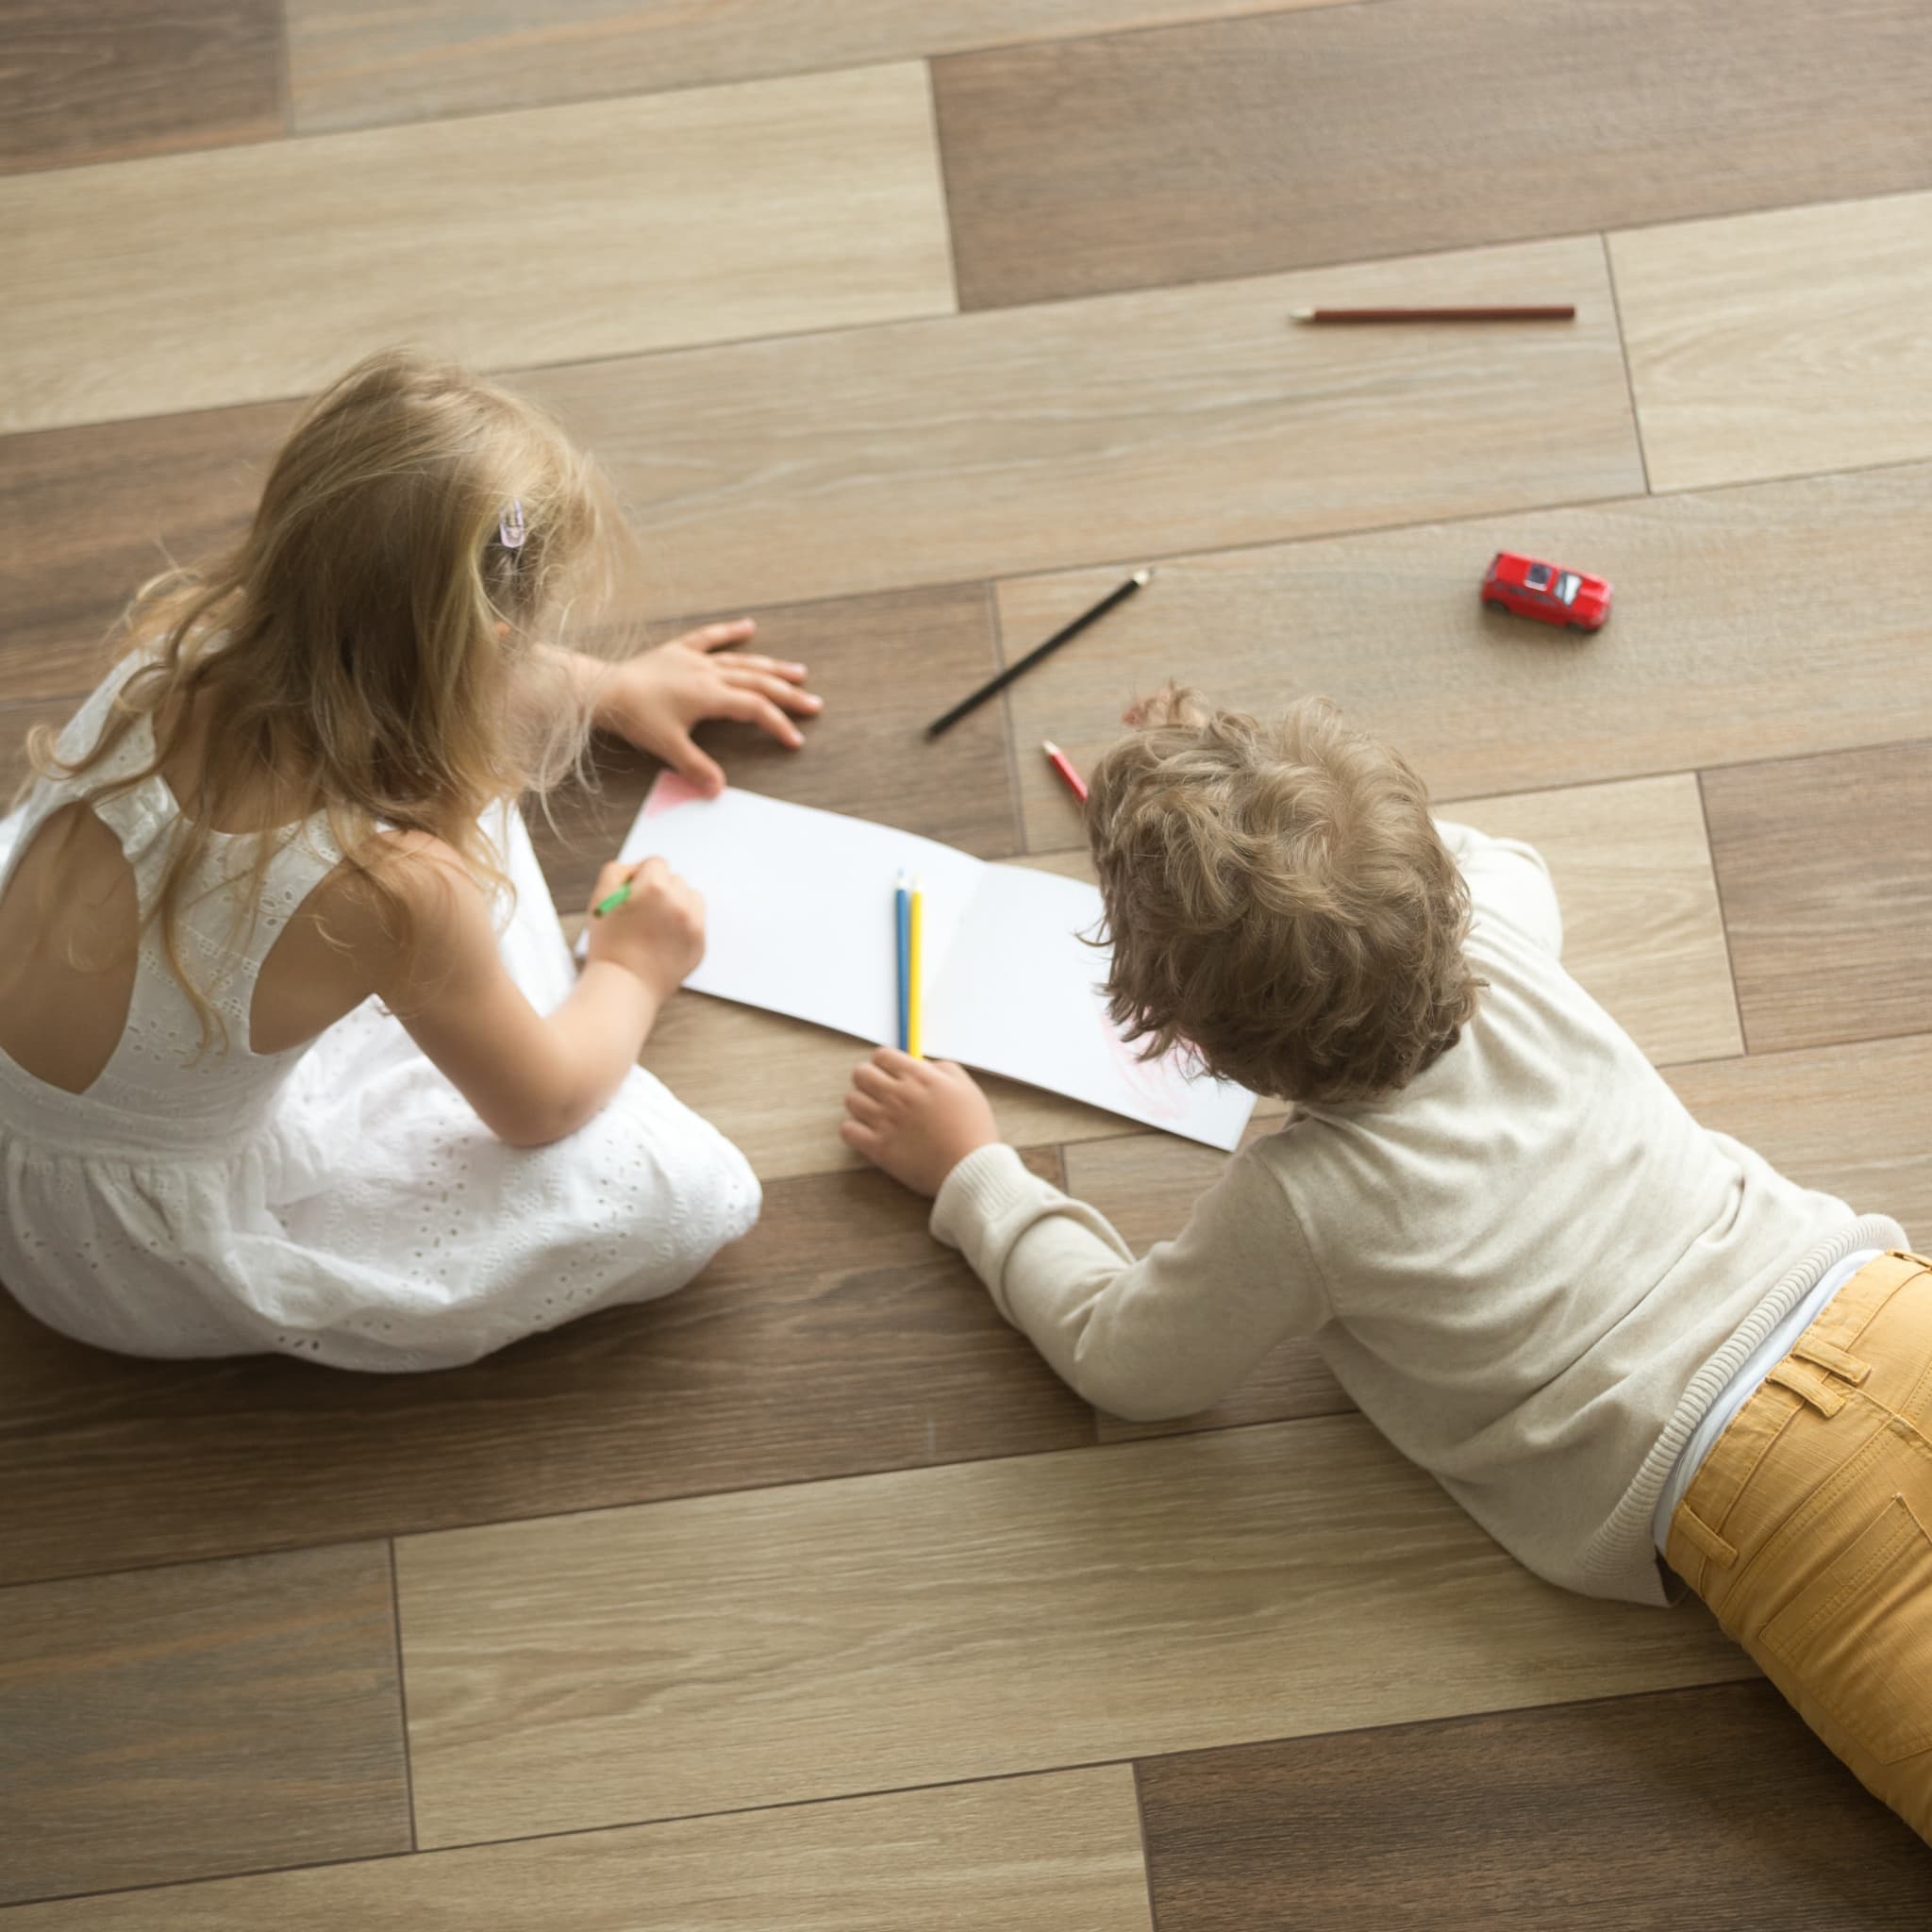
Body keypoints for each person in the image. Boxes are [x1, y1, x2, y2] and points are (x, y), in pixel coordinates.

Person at [840, 685, 1930, 1840]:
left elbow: (1125, 1360)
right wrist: (1261, 788)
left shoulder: (1302, 1200)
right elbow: (1479, 856)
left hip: (1762, 1493)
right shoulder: (1499, 928)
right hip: (1873, 1306)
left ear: (1189, 1040)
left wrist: (977, 1175)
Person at [0, 349, 821, 1370]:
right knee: (684, 1190)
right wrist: (632, 965)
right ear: (495, 638)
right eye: (518, 655)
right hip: (112, 1241)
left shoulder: (183, 641)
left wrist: (605, 687)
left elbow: (396, 645)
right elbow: (542, 1106)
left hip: (45, 1068)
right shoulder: (393, 890)